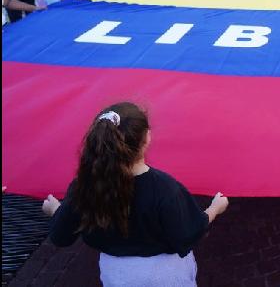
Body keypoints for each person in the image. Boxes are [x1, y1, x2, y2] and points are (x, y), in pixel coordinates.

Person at [44, 102, 229, 285]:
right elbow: (187, 235)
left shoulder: (83, 187)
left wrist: (56, 211)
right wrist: (214, 209)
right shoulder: (165, 189)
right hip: (165, 275)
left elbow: (62, 236)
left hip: (116, 276)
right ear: (146, 138)